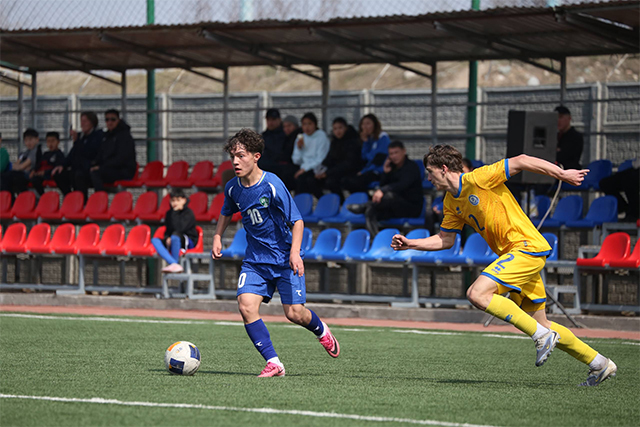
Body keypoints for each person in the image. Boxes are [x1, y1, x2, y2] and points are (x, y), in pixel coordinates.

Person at [391, 145, 617, 387]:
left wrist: (562, 174)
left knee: (477, 293)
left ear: (444, 169)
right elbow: (445, 240)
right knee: (542, 322)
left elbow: (521, 160)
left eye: (430, 171)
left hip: (526, 248)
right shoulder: (450, 202)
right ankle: (599, 363)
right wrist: (411, 243)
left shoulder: (478, 178)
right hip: (517, 256)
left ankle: (541, 336)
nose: (428, 178)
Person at [211, 128, 340, 377]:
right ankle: (274, 363)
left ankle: (321, 330)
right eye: (233, 156)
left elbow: (297, 221)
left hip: (283, 259)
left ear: (256, 156)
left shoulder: (271, 184)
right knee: (246, 306)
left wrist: (295, 253)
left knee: (294, 313)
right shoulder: (232, 187)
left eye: (241, 156)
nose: (235, 161)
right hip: (255, 261)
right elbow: (226, 211)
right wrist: (217, 236)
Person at [348, 141, 423, 235]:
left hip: (410, 207)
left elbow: (402, 185)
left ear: (404, 151)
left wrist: (382, 190)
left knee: (389, 196)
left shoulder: (411, 167)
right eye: (391, 154)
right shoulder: (391, 168)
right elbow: (382, 185)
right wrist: (385, 173)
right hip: (392, 206)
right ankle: (374, 239)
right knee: (371, 211)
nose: (394, 156)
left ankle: (365, 206)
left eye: (396, 152)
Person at [295, 117, 361, 200]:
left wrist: (327, 173)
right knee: (310, 179)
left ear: (346, 128)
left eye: (340, 128)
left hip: (347, 172)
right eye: (335, 129)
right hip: (332, 171)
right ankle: (324, 201)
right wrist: (321, 171)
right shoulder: (334, 142)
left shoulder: (352, 142)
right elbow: (329, 159)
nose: (338, 131)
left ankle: (340, 202)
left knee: (331, 182)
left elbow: (348, 163)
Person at [51, 111, 103, 198]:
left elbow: (89, 153)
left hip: (88, 169)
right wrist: (62, 165)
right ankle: (70, 197)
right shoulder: (81, 137)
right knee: (59, 174)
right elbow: (72, 154)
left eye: (85, 121)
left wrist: (77, 142)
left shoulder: (98, 136)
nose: (82, 124)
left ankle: (82, 200)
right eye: (81, 121)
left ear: (92, 122)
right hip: (77, 168)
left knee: (78, 175)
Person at [151, 188, 199, 274]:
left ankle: (174, 264)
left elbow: (180, 229)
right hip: (173, 238)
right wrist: (167, 238)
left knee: (175, 236)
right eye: (173, 200)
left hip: (187, 240)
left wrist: (175, 213)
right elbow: (168, 230)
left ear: (184, 200)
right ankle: (174, 263)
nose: (175, 203)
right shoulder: (169, 214)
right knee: (155, 240)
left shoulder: (188, 213)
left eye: (178, 200)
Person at [342, 113, 391, 193]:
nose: (365, 127)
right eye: (363, 124)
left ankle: (368, 198)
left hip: (378, 171)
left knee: (354, 183)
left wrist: (363, 172)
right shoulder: (369, 139)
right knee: (345, 181)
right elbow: (364, 157)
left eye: (368, 123)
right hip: (368, 170)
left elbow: (377, 159)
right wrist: (365, 142)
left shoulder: (383, 138)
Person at [90, 109, 136, 192]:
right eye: (107, 120)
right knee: (81, 174)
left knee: (96, 174)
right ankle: (81, 199)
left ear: (118, 120)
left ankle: (100, 198)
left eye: (113, 119)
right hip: (110, 168)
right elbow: (101, 155)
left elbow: (121, 158)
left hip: (123, 170)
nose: (110, 122)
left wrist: (101, 167)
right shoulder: (106, 136)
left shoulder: (125, 136)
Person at [426, 158, 474, 235]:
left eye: (463, 171)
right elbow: (444, 199)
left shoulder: (472, 185)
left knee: (446, 214)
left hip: (464, 212)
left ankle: (458, 241)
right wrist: (436, 206)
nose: (429, 178)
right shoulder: (450, 187)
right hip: (451, 210)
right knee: (430, 213)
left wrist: (440, 207)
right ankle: (430, 236)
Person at [291, 112, 330, 195]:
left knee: (306, 180)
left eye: (309, 124)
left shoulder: (321, 136)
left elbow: (320, 158)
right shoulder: (301, 138)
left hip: (318, 168)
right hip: (303, 168)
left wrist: (304, 169)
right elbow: (296, 160)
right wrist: (299, 149)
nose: (307, 127)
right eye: (304, 124)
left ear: (315, 124)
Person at [1, 128, 41, 197]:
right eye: (26, 140)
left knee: (8, 177)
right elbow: (15, 166)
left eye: (30, 140)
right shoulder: (24, 153)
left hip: (28, 175)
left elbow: (21, 166)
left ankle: (12, 199)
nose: (28, 143)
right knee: (5, 177)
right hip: (20, 174)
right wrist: (21, 166)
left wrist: (21, 166)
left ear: (37, 139)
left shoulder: (35, 152)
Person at [555, 106, 583, 170]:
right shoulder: (555, 136)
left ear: (569, 118)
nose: (558, 120)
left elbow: (565, 156)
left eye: (561, 117)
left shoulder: (575, 136)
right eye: (556, 117)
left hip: (570, 170)